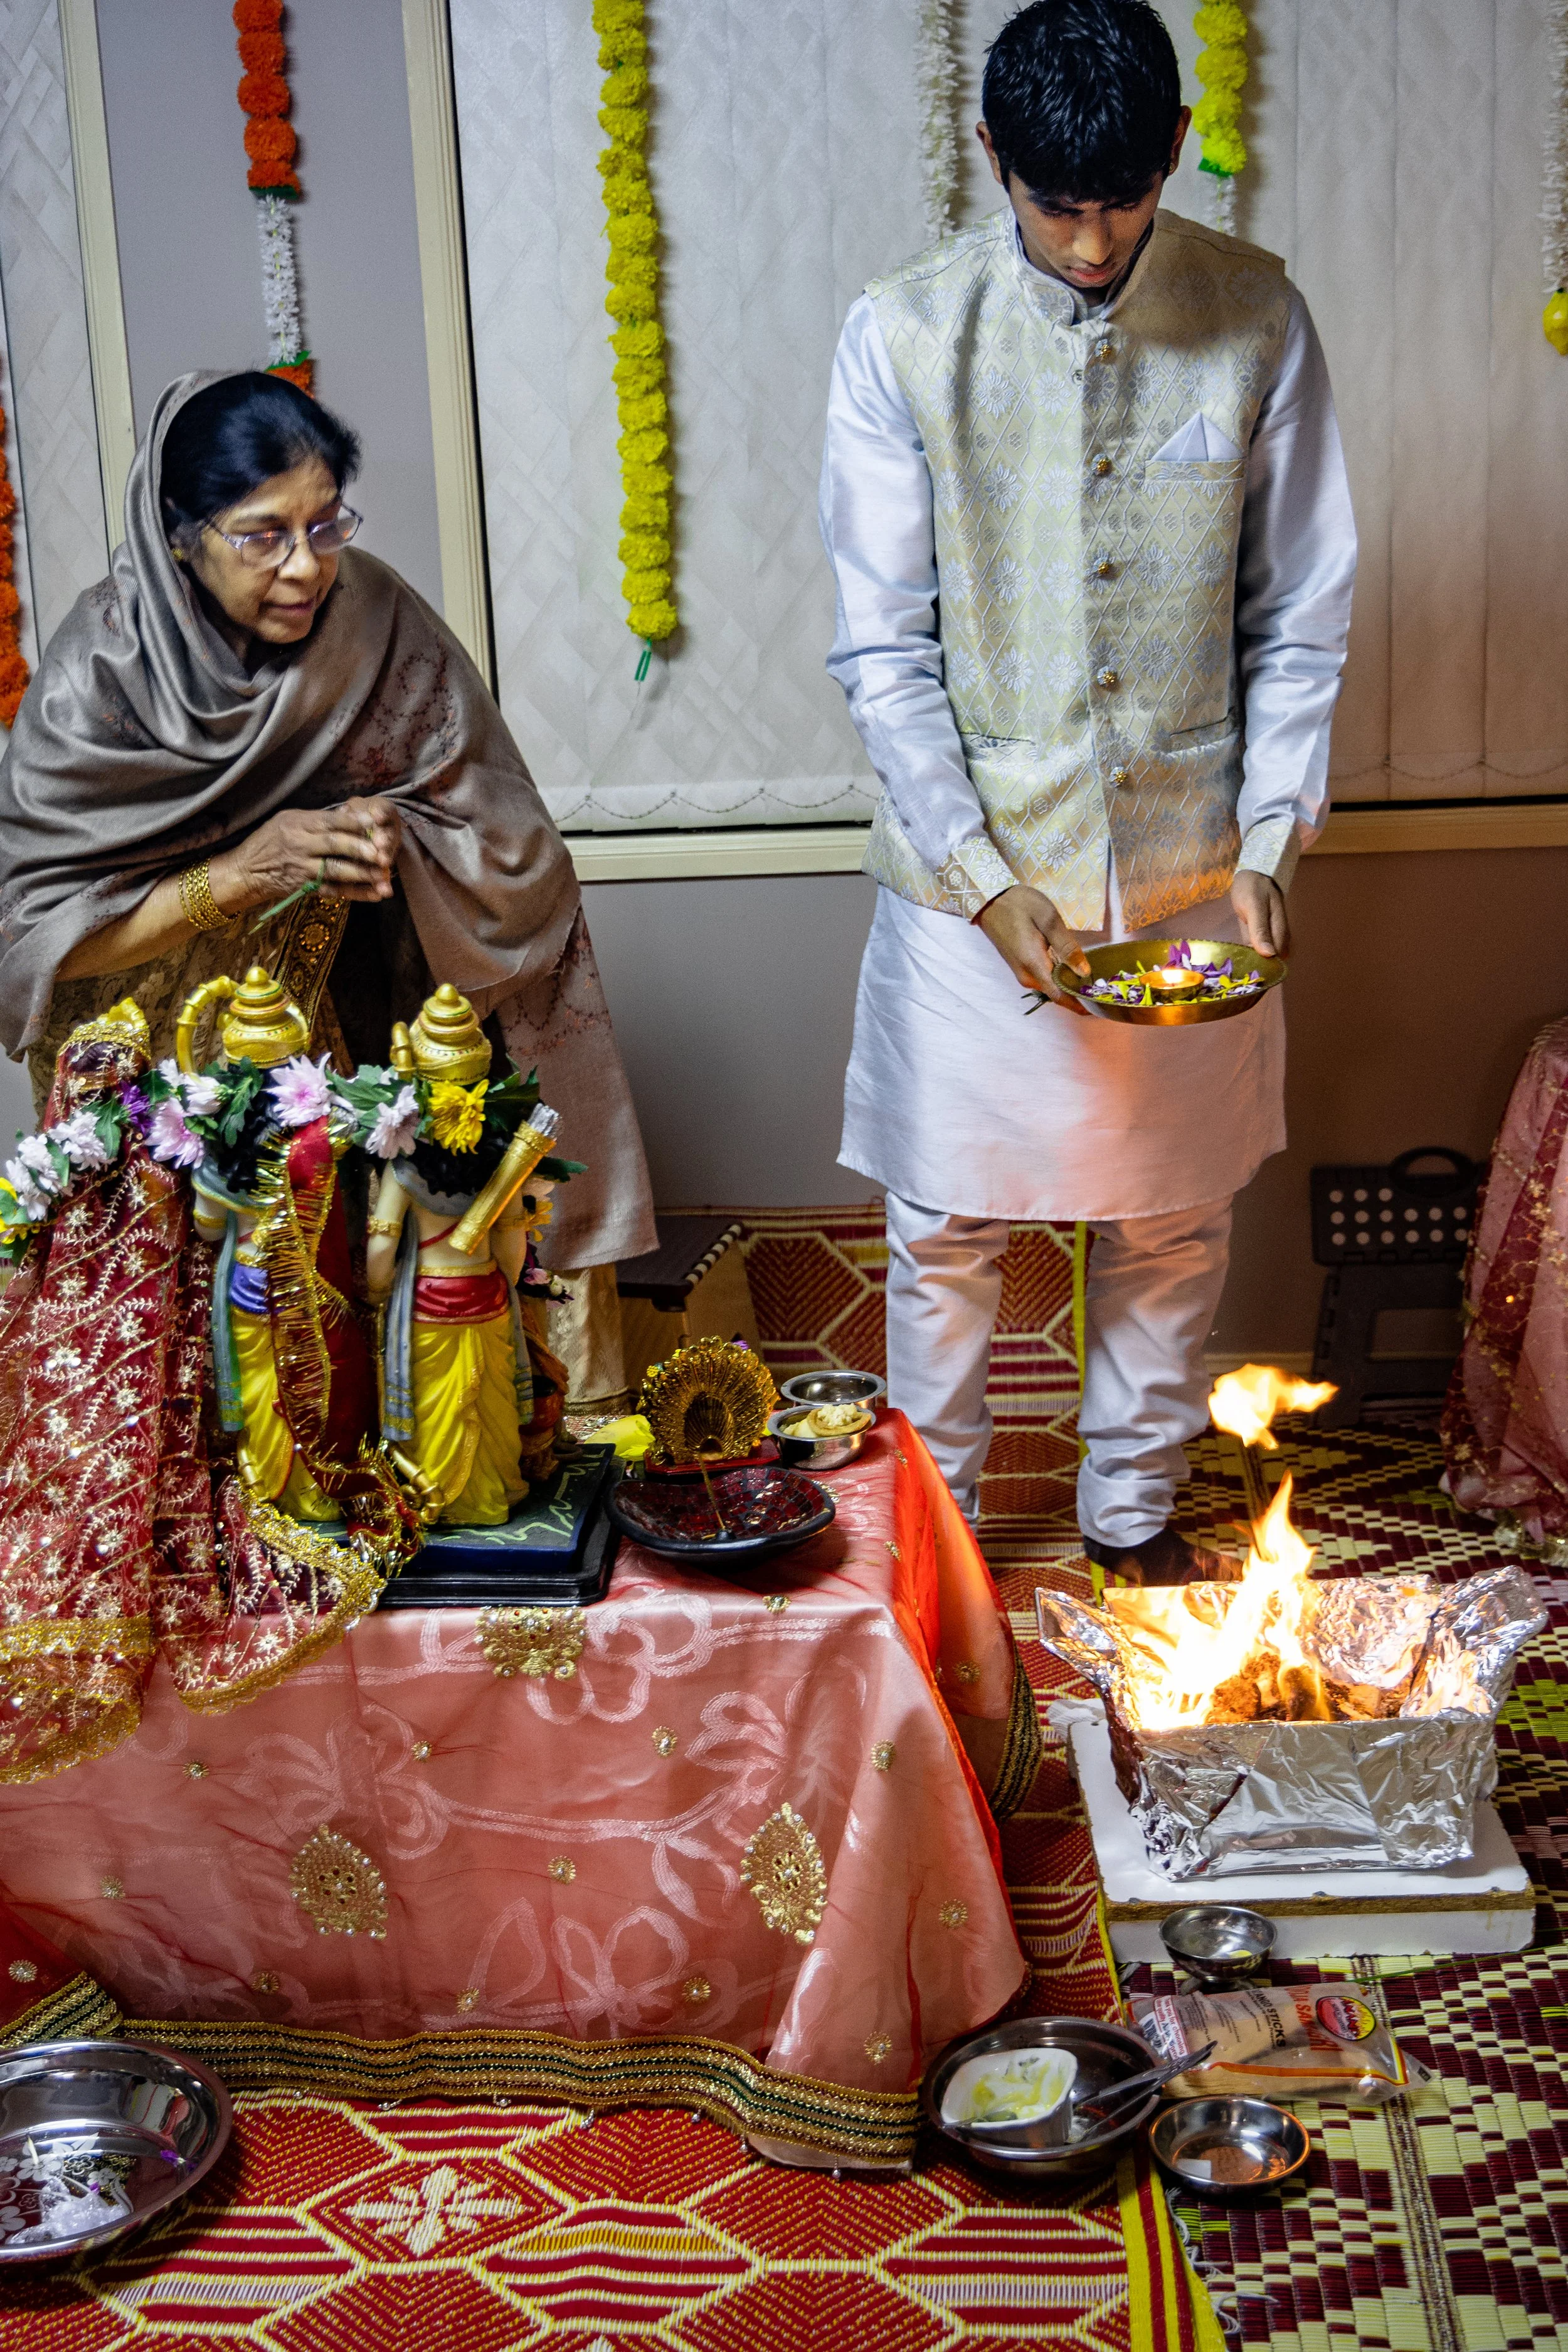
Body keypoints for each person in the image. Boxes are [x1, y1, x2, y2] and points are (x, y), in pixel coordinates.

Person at [820, 0, 1355, 1579]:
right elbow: (880, 647)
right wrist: (985, 878)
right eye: (1056, 204)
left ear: (1171, 159)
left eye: (1120, 200)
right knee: (945, 1238)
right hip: (965, 878)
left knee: (1173, 1224)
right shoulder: (902, 331)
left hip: (1193, 875)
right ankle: (949, 1544)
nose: (1089, 238)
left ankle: (1127, 1527)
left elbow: (1298, 616)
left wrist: (1268, 843)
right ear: (994, 160)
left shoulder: (1257, 314)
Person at [0, 369, 654, 1286]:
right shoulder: (96, 684)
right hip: (159, 1094)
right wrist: (236, 876)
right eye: (264, 535)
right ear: (179, 536)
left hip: (345, 1063)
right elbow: (34, 946)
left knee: (363, 1348)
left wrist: (386, 840)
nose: (306, 565)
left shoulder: (371, 620)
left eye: (326, 525)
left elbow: (513, 853)